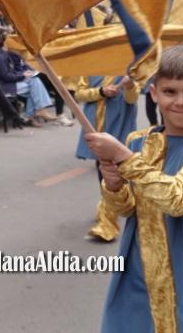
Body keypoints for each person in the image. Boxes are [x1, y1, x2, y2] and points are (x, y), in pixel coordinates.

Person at [85, 45, 183, 333]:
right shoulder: (138, 140)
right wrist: (114, 184)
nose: (180, 102)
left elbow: (178, 199)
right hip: (139, 266)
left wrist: (125, 159)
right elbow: (129, 209)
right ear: (154, 93)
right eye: (170, 91)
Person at [74, 73, 139, 242]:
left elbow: (132, 99)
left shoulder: (129, 67)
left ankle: (107, 222)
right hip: (95, 123)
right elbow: (79, 94)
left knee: (114, 170)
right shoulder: (90, 66)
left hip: (120, 121)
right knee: (102, 168)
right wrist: (101, 91)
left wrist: (130, 85)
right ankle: (108, 206)